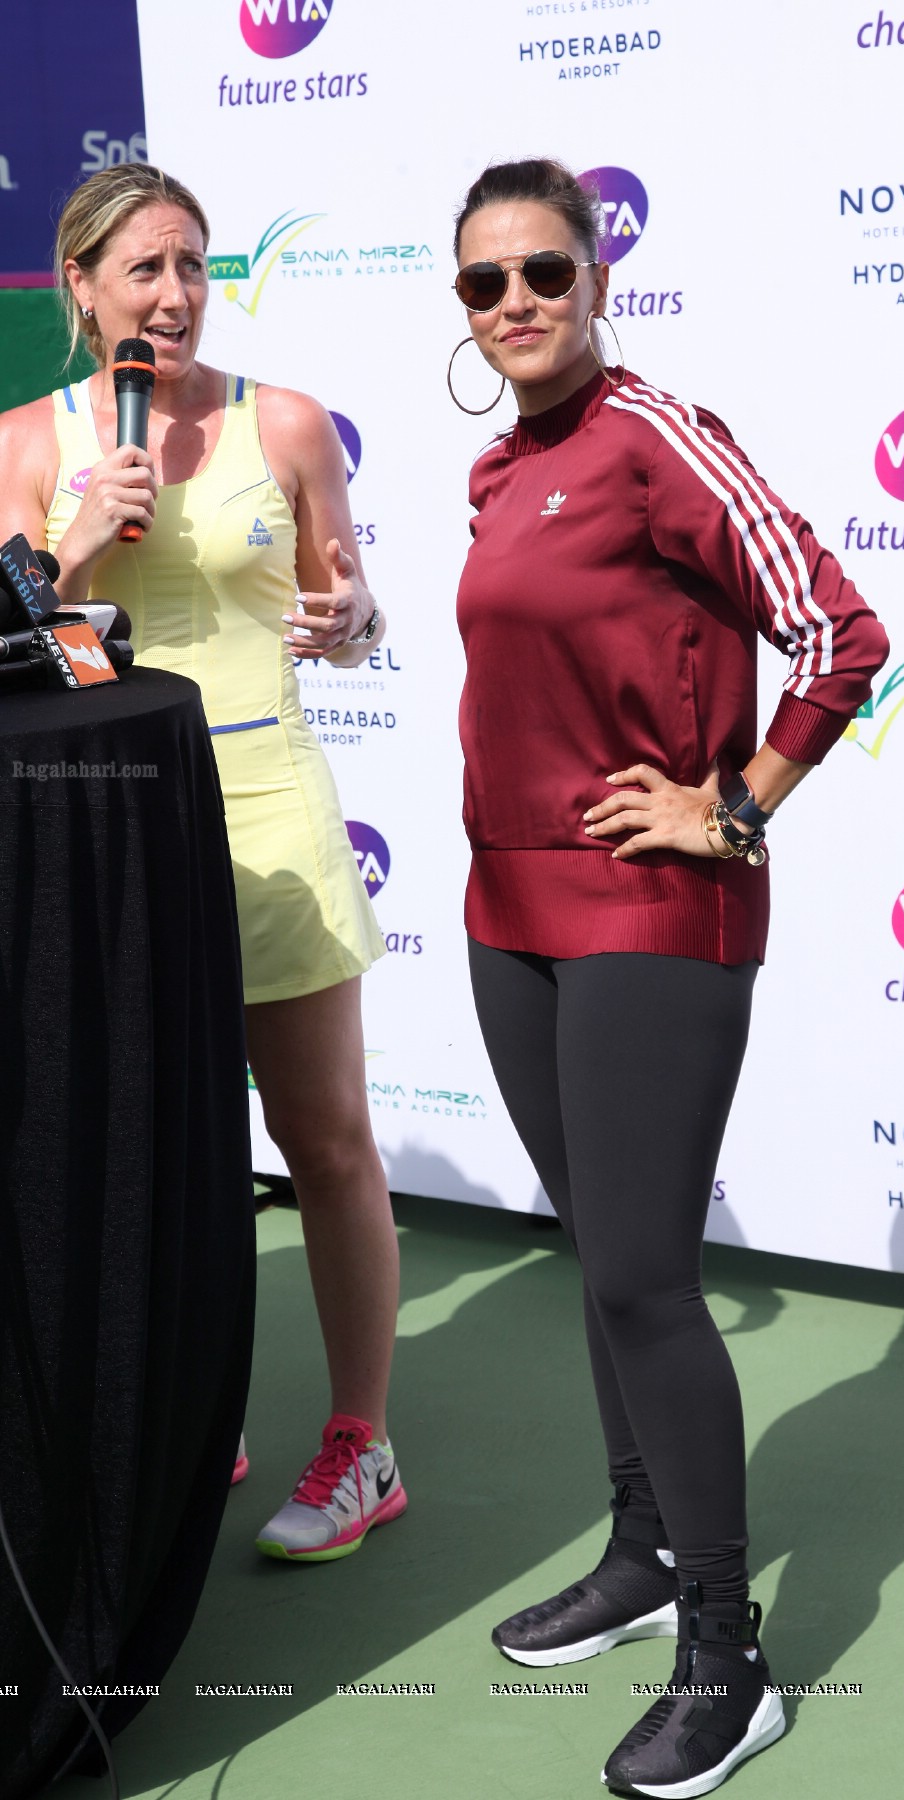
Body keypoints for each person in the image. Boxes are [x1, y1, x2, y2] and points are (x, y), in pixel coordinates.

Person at [451, 158, 889, 1797]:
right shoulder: (500, 469)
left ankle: (730, 1651)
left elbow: (840, 632)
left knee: (643, 1274)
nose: (515, 307)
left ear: (599, 271)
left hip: (651, 914)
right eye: (483, 285)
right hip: (506, 909)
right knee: (596, 1260)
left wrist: (735, 810)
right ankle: (642, 1558)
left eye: (542, 273)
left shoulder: (656, 437)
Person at [0, 164, 405, 1564]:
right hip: (108, 829)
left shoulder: (280, 422)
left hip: (269, 808)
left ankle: (363, 1439)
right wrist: (64, 544)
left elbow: (351, 618)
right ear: (84, 289)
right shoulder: (30, 439)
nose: (172, 295)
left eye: (191, 264)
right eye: (142, 270)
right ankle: (185, 1411)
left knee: (326, 1136)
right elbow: (10, 638)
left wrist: (353, 620)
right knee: (154, 1143)